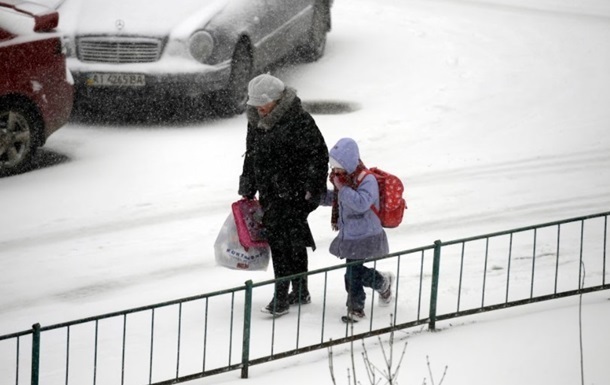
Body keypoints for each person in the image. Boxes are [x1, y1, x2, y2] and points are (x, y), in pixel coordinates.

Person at [238, 74, 329, 317]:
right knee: (294, 239)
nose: (259, 109)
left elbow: (319, 156)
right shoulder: (255, 120)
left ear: (278, 100)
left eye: (263, 104)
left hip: (296, 193)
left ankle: (281, 297)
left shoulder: (299, 120)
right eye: (255, 105)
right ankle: (300, 290)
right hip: (271, 192)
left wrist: (310, 191)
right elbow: (252, 153)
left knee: (280, 243)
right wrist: (248, 184)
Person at [321, 137, 393, 321]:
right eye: (333, 166)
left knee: (353, 273)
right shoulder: (343, 179)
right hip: (350, 235)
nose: (334, 170)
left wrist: (342, 189)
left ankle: (359, 306)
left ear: (349, 162)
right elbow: (340, 200)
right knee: (353, 273)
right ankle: (379, 286)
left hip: (366, 233)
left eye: (338, 166)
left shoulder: (366, 179)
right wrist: (318, 197)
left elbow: (361, 203)